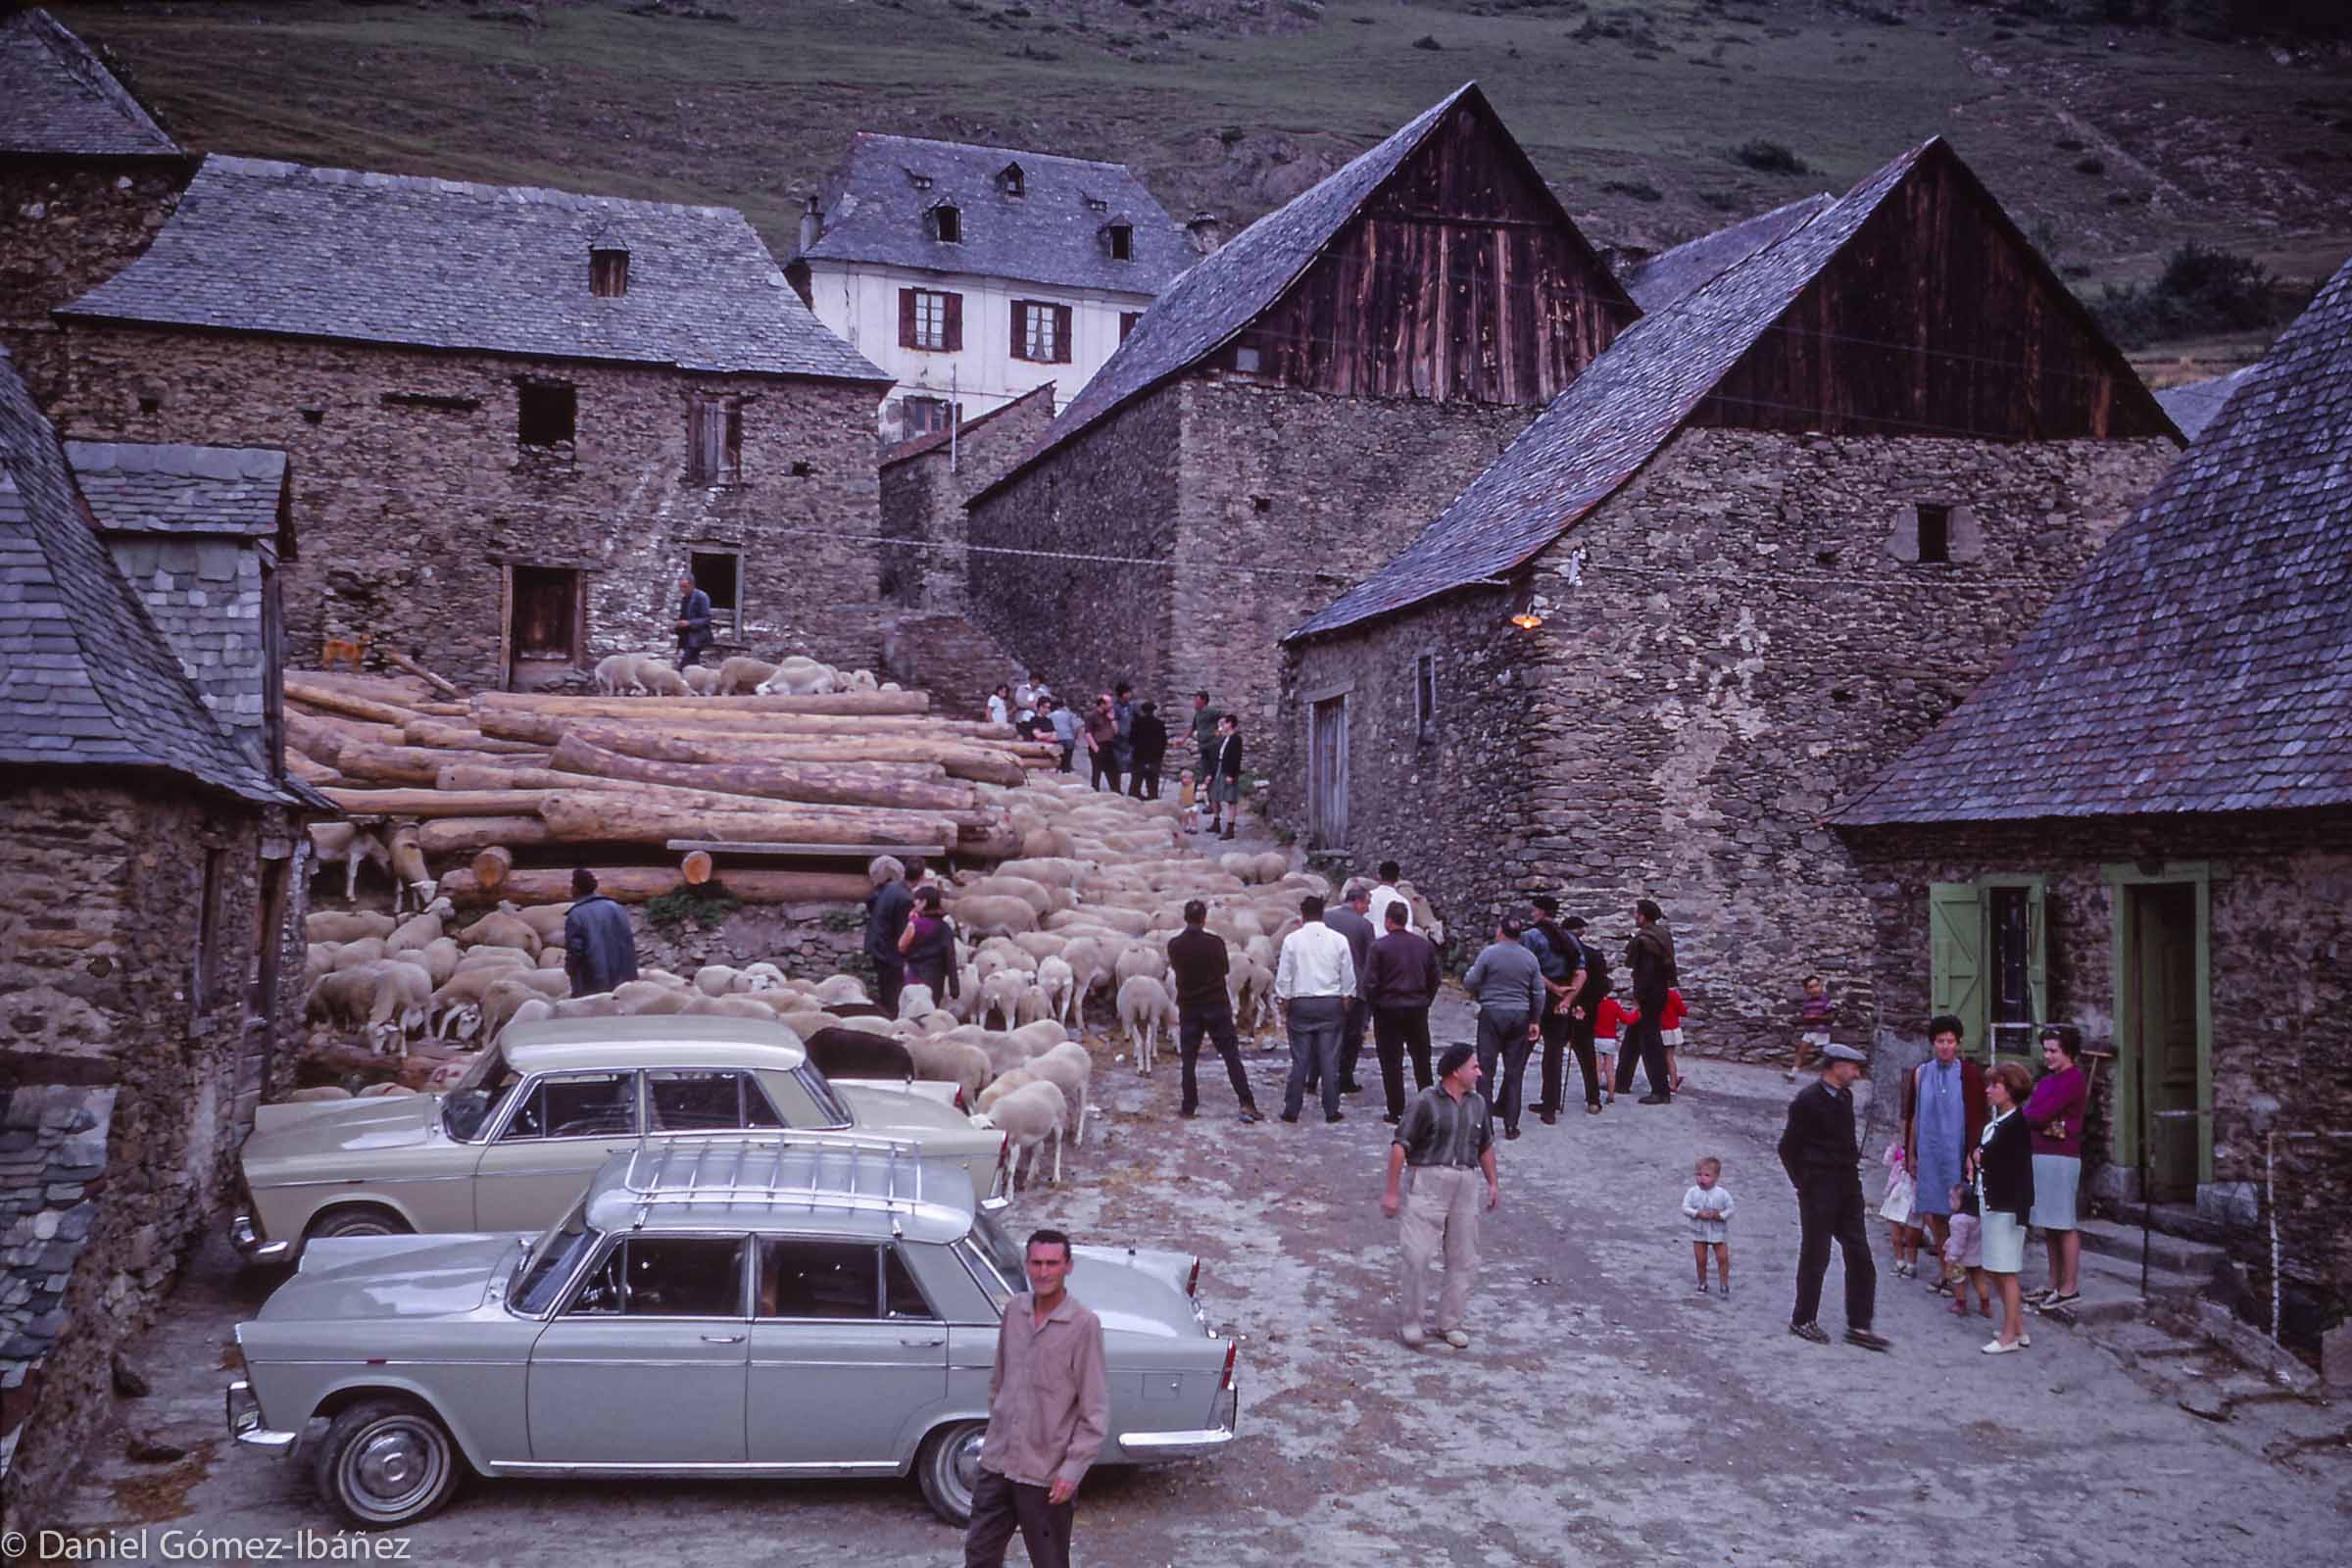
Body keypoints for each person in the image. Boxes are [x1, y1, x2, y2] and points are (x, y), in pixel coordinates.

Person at [963, 1228, 1110, 1568]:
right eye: (1037, 1263)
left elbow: (1095, 1411)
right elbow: (999, 1381)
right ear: (1027, 1265)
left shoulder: (1083, 1325)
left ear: (1067, 1267)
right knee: (979, 1556)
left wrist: (1070, 1472)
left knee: (1050, 1562)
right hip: (997, 1465)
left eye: (1052, 1264)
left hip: (1045, 1475)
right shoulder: (1014, 1311)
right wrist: (996, 1437)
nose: (1043, 1272)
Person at [1381, 1043, 1498, 1350]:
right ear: (1455, 1070)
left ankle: (1450, 1323)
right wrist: (1392, 1191)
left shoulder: (1478, 1104)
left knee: (1464, 1257)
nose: (1479, 1072)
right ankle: (1412, 1322)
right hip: (1429, 1179)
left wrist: (1492, 1183)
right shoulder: (1425, 1101)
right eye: (1474, 1066)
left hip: (1465, 1181)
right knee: (1417, 1255)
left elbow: (1485, 1144)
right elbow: (1400, 1145)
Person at [1777, 1043, 1889, 1350]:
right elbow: (1787, 1148)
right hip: (1819, 1186)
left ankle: (1860, 1324)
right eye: (1852, 1067)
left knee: (1860, 1254)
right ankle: (1803, 1319)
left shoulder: (1845, 1097)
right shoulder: (1807, 1101)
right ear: (1836, 1066)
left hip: (1847, 1185)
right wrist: (1805, 1183)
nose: (1856, 1072)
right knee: (1816, 1253)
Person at [1902, 1015, 1988, 1292]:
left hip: (1956, 1154)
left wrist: (1971, 1153)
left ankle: (1961, 1277)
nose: (1945, 1046)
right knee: (1936, 1217)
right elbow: (1913, 1115)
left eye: (1951, 1041)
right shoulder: (1921, 1073)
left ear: (1959, 1043)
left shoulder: (1969, 1075)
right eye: (1940, 1041)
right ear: (1932, 1043)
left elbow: (1977, 1117)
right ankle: (1946, 1274)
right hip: (1929, 1154)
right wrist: (1911, 1153)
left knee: (1958, 1219)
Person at [1166, 901, 1261, 1123]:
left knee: (1189, 1059)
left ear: (1185, 917)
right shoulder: (1215, 943)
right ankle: (1246, 1103)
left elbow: (1177, 968)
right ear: (1204, 918)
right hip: (1216, 1005)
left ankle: (1188, 1106)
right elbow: (1224, 970)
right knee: (1230, 1056)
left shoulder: (1174, 945)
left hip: (1189, 1007)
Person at [1971, 1062, 2037, 1354]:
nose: (1988, 1090)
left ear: (2009, 1090)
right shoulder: (1996, 1123)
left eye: (1994, 1086)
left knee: (2005, 1270)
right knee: (1995, 1267)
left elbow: (2018, 1170)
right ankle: (2018, 1327)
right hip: (1991, 1201)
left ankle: (2009, 1335)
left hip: (2007, 1205)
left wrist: (1983, 1158)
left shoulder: (2016, 1125)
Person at [1274, 894, 1355, 1124]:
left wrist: (1285, 999)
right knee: (1329, 1058)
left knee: (1300, 1058)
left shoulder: (1292, 940)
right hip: (1331, 1002)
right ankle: (1331, 1110)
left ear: (1302, 915)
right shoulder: (1339, 939)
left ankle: (1292, 1109)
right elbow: (1347, 973)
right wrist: (1346, 997)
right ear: (1324, 913)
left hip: (1301, 1002)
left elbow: (1284, 975)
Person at [2023, 1027, 2087, 1312]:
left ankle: (2069, 1286)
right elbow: (2033, 1113)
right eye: (2046, 1050)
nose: (2047, 1055)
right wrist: (2037, 1119)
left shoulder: (2073, 1080)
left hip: (2062, 1158)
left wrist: (2037, 1119)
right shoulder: (2049, 1080)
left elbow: (2038, 1114)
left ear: (2068, 1052)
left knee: (2064, 1222)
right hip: (2042, 1153)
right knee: (2049, 1223)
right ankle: (2052, 1282)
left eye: (2054, 1051)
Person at [1462, 915, 1544, 1140]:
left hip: (1492, 1012)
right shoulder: (1530, 959)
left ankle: (1485, 1125)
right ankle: (1511, 1125)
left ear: (1501, 931)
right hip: (1519, 1015)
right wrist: (1535, 1020)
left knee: (1485, 1071)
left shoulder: (1489, 954)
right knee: (1514, 1071)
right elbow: (1538, 992)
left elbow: (1470, 981)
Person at [1362, 900, 1441, 1124]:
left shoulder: (1379, 947)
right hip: (1416, 1008)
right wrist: (1425, 1001)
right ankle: (1427, 1107)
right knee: (1422, 1059)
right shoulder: (1423, 946)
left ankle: (1396, 1110)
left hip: (1388, 1010)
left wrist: (1375, 1006)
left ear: (1388, 921)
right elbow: (1434, 978)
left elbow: (1370, 982)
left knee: (1391, 1061)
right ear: (1405, 920)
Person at [1521, 896, 1583, 1124]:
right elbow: (1581, 970)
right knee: (1554, 1052)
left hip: (1539, 998)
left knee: (1522, 1049)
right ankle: (1550, 1106)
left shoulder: (1531, 936)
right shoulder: (1569, 938)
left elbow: (1529, 968)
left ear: (1539, 912)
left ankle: (1507, 1101)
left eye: (1534, 910)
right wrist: (1568, 996)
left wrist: (1554, 988)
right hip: (1561, 1000)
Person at [1321, 879, 1377, 1097]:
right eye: (1367, 904)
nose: (1368, 908)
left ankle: (1313, 1077)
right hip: (1354, 989)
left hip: (1325, 985)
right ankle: (1345, 1078)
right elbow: (1370, 959)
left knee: (1324, 1032)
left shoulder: (1326, 917)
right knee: (1351, 1036)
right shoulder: (1364, 926)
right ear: (1357, 903)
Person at [1618, 900, 1676, 1103]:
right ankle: (1621, 1082)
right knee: (1632, 1037)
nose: (1635, 916)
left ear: (1643, 916)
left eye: (1637, 913)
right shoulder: (1662, 935)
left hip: (1649, 994)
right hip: (1658, 992)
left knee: (1651, 1042)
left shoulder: (1646, 940)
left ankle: (1661, 1092)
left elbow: (1647, 973)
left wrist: (1640, 998)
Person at [562, 867, 638, 997]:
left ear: (577, 888)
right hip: (624, 982)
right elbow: (628, 941)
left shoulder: (576, 914)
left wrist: (570, 969)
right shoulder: (616, 907)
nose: (570, 889)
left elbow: (575, 951)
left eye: (572, 885)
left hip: (593, 984)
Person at [1559, 915, 1609, 1113]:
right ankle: (1593, 1099)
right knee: (1587, 1056)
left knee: (1554, 1054)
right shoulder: (1595, 955)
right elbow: (1602, 987)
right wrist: (1585, 1006)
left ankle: (1551, 1101)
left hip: (1561, 1008)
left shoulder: (1559, 956)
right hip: (1586, 1012)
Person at [862, 855, 914, 1016]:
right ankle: (894, 1018)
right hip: (889, 950)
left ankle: (886, 1013)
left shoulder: (881, 893)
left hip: (877, 945)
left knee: (885, 986)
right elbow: (901, 929)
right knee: (894, 989)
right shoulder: (903, 897)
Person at [898, 884, 959, 1003]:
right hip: (936, 980)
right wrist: (954, 988)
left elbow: (901, 947)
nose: (914, 903)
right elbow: (950, 957)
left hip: (915, 977)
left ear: (924, 902)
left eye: (916, 900)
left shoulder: (914, 925)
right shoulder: (945, 927)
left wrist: (911, 920)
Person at [1684, 1156, 1735, 1297]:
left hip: (1718, 1231)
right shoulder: (1692, 1192)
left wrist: (1721, 1216)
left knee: (1722, 1257)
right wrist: (1697, 1213)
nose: (1702, 1178)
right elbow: (1685, 1208)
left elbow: (1731, 1209)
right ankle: (1702, 1282)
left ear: (1716, 1177)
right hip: (1699, 1231)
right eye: (1699, 1175)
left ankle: (1724, 1284)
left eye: (1707, 1175)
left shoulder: (1722, 1194)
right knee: (1701, 1259)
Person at [1879, 1143, 1921, 1278]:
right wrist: (1895, 1147)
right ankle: (1899, 1261)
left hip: (1913, 1198)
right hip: (1897, 1196)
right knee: (1896, 1236)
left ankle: (1911, 1265)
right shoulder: (1899, 1151)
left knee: (1911, 1237)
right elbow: (1886, 1160)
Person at [1789, 974, 1835, 1081]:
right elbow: (1805, 1017)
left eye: (1817, 986)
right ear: (1806, 990)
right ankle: (1793, 1074)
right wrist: (1807, 1018)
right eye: (1811, 987)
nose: (1815, 989)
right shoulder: (1807, 1003)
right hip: (1810, 1031)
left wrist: (1817, 1017)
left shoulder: (1825, 1000)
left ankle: (1827, 1077)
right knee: (1801, 1051)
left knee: (1825, 1055)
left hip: (1821, 1031)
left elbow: (1831, 1016)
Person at [1592, 990, 1634, 1105]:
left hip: (1596, 1039)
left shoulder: (1594, 1005)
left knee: (1597, 1069)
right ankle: (1611, 1096)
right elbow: (1626, 1020)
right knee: (1609, 1070)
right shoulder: (1614, 1005)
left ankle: (1594, 1096)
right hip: (1610, 1040)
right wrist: (1636, 1013)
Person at [1206, 714, 1243, 839]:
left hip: (1228, 770)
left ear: (1230, 724)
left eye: (1224, 723)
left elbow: (1236, 758)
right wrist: (1211, 773)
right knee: (1214, 796)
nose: (1222, 726)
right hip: (1219, 768)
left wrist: (1231, 775)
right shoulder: (1223, 739)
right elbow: (1216, 756)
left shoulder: (1236, 739)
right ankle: (1216, 822)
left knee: (1230, 799)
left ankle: (1230, 828)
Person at [1127, 699, 1168, 801]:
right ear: (1153, 711)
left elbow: (1131, 741)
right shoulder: (1159, 724)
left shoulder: (1136, 723)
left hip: (1139, 759)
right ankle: (1154, 809)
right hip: (1154, 760)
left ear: (1143, 711)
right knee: (1153, 788)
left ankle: (1133, 809)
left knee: (1135, 787)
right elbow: (1163, 742)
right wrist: (1160, 757)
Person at [1082, 694, 1120, 793]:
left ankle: (1116, 791)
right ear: (1102, 704)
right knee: (1097, 771)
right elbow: (1088, 733)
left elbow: (1116, 731)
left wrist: (1112, 719)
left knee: (1113, 770)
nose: (1111, 705)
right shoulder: (1092, 716)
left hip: (1109, 745)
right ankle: (1095, 791)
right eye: (1109, 703)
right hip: (1098, 745)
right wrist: (1095, 748)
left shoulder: (1109, 715)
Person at [673, 572, 713, 666]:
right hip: (688, 637)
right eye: (680, 587)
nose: (682, 589)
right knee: (692, 664)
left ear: (692, 585)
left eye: (684, 586)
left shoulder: (701, 597)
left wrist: (689, 623)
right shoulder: (685, 599)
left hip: (698, 637)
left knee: (684, 665)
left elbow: (707, 618)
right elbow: (684, 616)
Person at [1365, 860, 1412, 934]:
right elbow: (1408, 930)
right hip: (1392, 942)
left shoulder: (1366, 897)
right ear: (1398, 878)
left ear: (1379, 876)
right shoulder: (1403, 902)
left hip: (1368, 942)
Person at [1660, 985, 1688, 1094]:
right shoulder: (1672, 995)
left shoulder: (1653, 994)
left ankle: (1672, 1081)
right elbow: (1683, 1011)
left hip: (1660, 1029)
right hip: (1671, 1029)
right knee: (1669, 1057)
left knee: (1664, 1057)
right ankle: (1673, 1081)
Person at [1189, 690, 1220, 780]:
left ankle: (1214, 788)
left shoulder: (1211, 711)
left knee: (1213, 769)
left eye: (1197, 701)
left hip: (1212, 744)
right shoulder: (1198, 714)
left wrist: (1218, 732)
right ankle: (1207, 788)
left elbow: (1225, 718)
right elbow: (1193, 727)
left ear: (1203, 700)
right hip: (1203, 745)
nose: (1195, 703)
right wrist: (1182, 739)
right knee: (1205, 770)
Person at [1110, 681, 1136, 784]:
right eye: (1128, 692)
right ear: (1123, 693)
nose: (1130, 694)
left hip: (1130, 739)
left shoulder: (1132, 707)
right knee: (1117, 765)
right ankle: (1116, 787)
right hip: (1117, 740)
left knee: (1132, 764)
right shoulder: (1114, 707)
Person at [1048, 698, 1079, 773]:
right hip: (1069, 739)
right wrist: (1074, 737)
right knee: (1067, 761)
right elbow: (1077, 727)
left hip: (1057, 739)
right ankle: (1067, 774)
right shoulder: (1069, 715)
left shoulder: (1050, 716)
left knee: (1056, 761)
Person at [1178, 769, 1200, 834]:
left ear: (1191, 779)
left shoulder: (1193, 786)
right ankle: (1186, 826)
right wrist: (1179, 802)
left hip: (1192, 804)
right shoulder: (1182, 787)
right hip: (1184, 805)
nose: (1183, 780)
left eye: (1185, 778)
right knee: (1185, 816)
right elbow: (1181, 795)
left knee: (1193, 817)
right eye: (1182, 778)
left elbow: (1199, 792)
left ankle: (1194, 827)